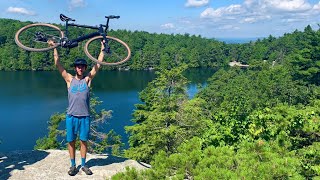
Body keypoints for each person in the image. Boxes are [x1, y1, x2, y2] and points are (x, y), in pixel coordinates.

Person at [48, 40, 104, 176]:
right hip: (71, 116)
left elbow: (98, 64)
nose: (80, 68)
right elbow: (58, 64)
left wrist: (103, 47)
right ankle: (73, 165)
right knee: (71, 141)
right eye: (78, 66)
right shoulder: (69, 79)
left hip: (84, 117)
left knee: (83, 141)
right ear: (75, 68)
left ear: (85, 68)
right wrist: (54, 48)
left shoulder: (87, 80)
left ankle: (84, 165)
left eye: (82, 66)